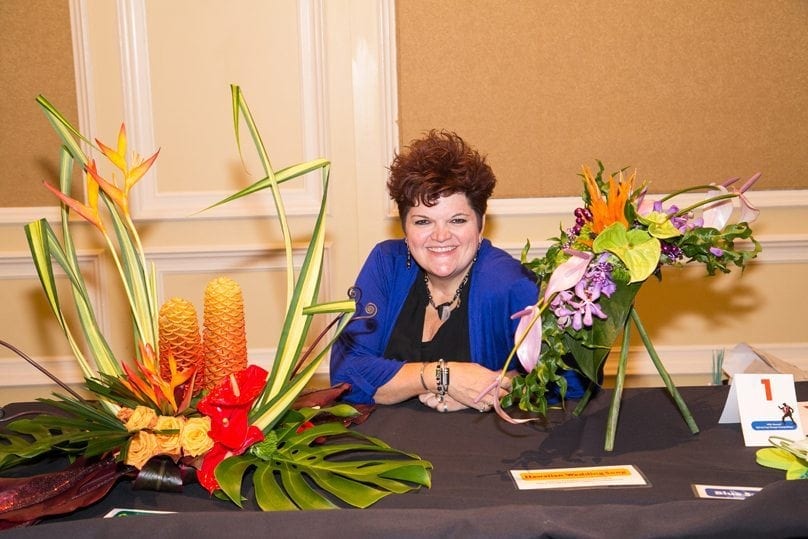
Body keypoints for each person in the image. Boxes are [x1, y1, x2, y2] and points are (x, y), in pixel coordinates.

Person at [330, 130, 585, 412]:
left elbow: (571, 379)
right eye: (423, 222)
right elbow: (346, 374)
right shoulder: (387, 263)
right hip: (388, 447)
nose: (440, 236)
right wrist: (443, 377)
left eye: (457, 220)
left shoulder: (509, 283)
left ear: (480, 225)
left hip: (480, 447)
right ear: (405, 227)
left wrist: (494, 386)